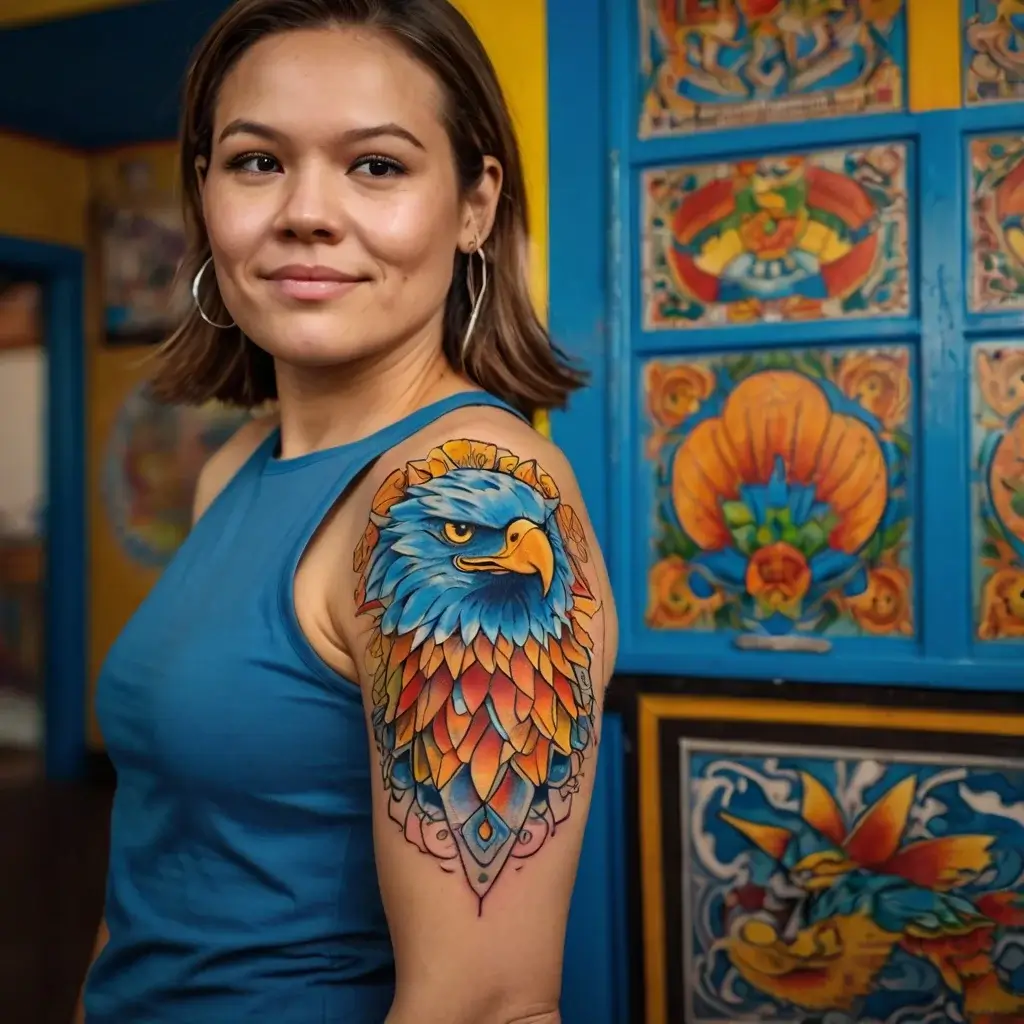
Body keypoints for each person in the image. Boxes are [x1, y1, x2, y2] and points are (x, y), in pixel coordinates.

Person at [76, 1, 617, 1021]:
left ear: (473, 203)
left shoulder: (462, 494)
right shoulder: (233, 466)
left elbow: (488, 1004)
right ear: (205, 195)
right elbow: (158, 874)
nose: (306, 212)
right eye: (255, 161)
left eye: (375, 165)